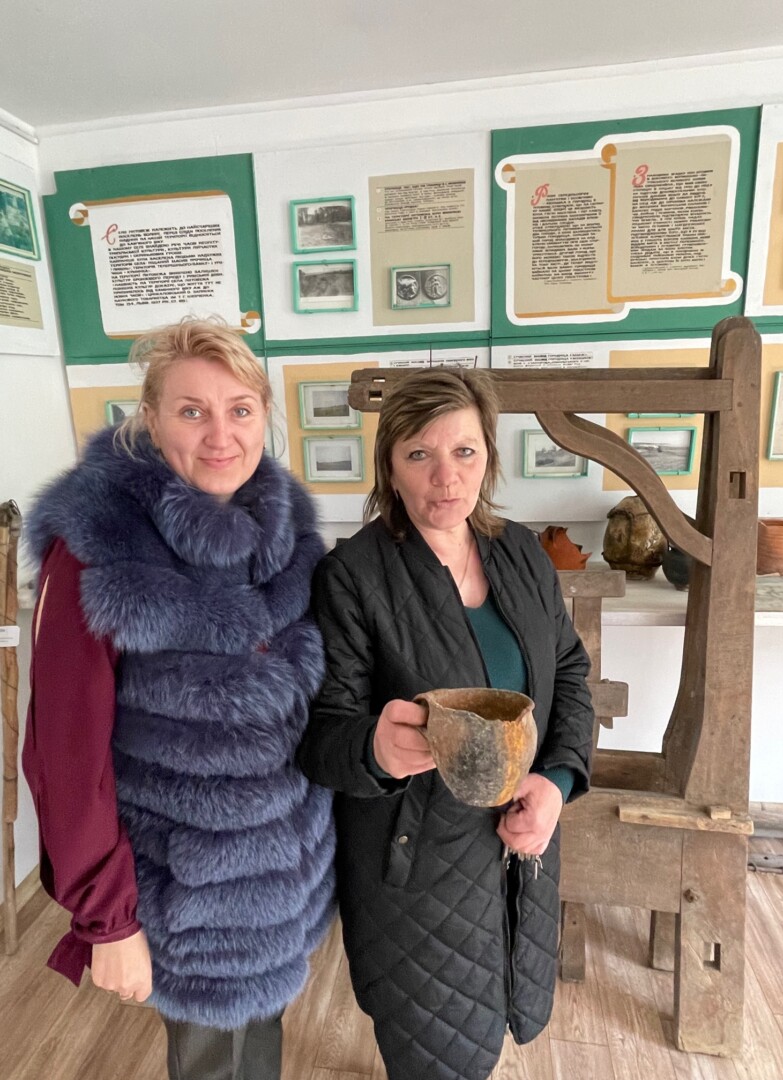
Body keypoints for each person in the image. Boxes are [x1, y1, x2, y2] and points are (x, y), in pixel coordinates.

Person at [23, 319, 335, 1080]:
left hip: (287, 883)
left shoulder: (288, 529)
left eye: (240, 409)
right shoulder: (98, 544)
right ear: (151, 417)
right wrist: (107, 920)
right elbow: (64, 755)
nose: (220, 435)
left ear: (265, 414)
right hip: (186, 893)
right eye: (192, 411)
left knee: (259, 1051)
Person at [297, 367, 595, 1080]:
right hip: (416, 861)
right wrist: (374, 748)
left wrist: (556, 783)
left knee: (499, 1017)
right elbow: (320, 736)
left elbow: (568, 672)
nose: (446, 477)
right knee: (438, 1052)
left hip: (521, 842)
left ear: (488, 454)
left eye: (464, 451)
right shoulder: (353, 575)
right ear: (389, 467)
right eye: (419, 454)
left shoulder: (520, 552)